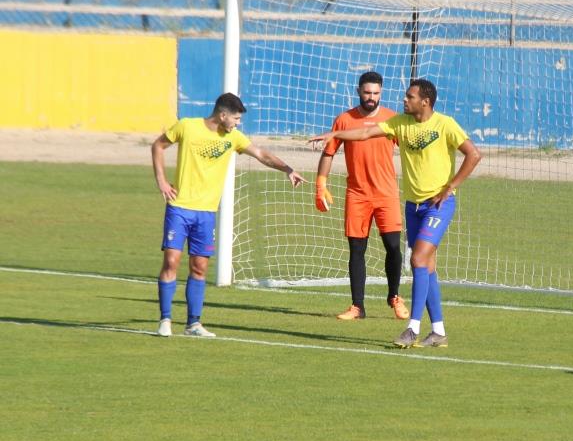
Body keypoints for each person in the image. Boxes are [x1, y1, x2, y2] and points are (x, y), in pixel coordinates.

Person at [310, 78, 482, 348]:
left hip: (437, 204)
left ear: (424, 101)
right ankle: (438, 332)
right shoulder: (400, 123)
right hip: (413, 206)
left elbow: (474, 154)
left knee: (416, 260)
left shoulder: (445, 124)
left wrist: (450, 187)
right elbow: (365, 133)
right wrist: (335, 135)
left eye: (410, 96)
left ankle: (413, 328)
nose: (404, 100)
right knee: (427, 267)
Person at [151, 92, 306, 338]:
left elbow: (262, 154)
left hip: (206, 213)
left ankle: (193, 323)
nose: (237, 123)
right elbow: (158, 145)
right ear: (222, 115)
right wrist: (161, 180)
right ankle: (165, 319)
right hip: (179, 208)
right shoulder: (187, 126)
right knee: (171, 261)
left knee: (199, 267)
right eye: (235, 118)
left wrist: (287, 169)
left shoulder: (233, 137)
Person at [315, 71, 409, 321]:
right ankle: (357, 307)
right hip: (357, 194)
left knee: (393, 247)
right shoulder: (344, 119)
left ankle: (395, 297)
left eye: (376, 93)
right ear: (358, 91)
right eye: (367, 92)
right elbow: (328, 153)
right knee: (357, 249)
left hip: (386, 194)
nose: (371, 97)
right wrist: (321, 184)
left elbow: (410, 149)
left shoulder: (393, 119)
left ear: (381, 93)